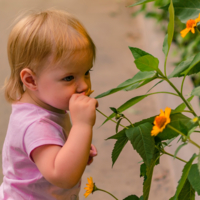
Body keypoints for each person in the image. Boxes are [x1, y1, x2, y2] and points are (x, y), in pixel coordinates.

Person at [0, 9, 98, 200]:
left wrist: (75, 148)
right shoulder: (36, 125)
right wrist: (82, 126)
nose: (84, 85)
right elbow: (63, 176)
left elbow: (54, 158)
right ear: (31, 80)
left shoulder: (45, 106)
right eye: (69, 77)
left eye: (86, 72)